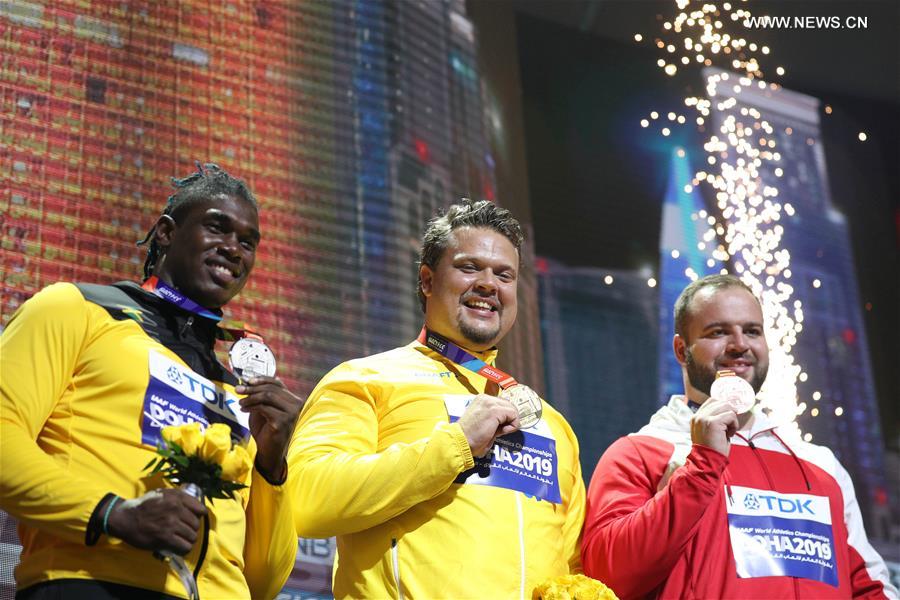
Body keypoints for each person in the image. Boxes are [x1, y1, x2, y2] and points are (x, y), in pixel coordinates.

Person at [0, 163, 303, 599]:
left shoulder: (237, 393)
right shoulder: (77, 309)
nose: (233, 249)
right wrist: (113, 514)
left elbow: (263, 581)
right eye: (217, 228)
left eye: (247, 242)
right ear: (165, 232)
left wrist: (271, 467)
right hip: (91, 585)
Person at [287, 199, 585, 598]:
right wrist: (455, 445)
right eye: (469, 267)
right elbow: (305, 500)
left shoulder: (552, 425)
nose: (488, 284)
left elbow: (572, 567)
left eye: (504, 274)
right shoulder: (365, 380)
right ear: (427, 281)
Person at [581, 274, 898, 599]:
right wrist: (701, 467)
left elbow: (869, 586)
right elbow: (606, 575)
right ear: (681, 349)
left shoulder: (820, 464)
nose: (740, 344)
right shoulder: (639, 453)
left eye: (752, 331)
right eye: (718, 332)